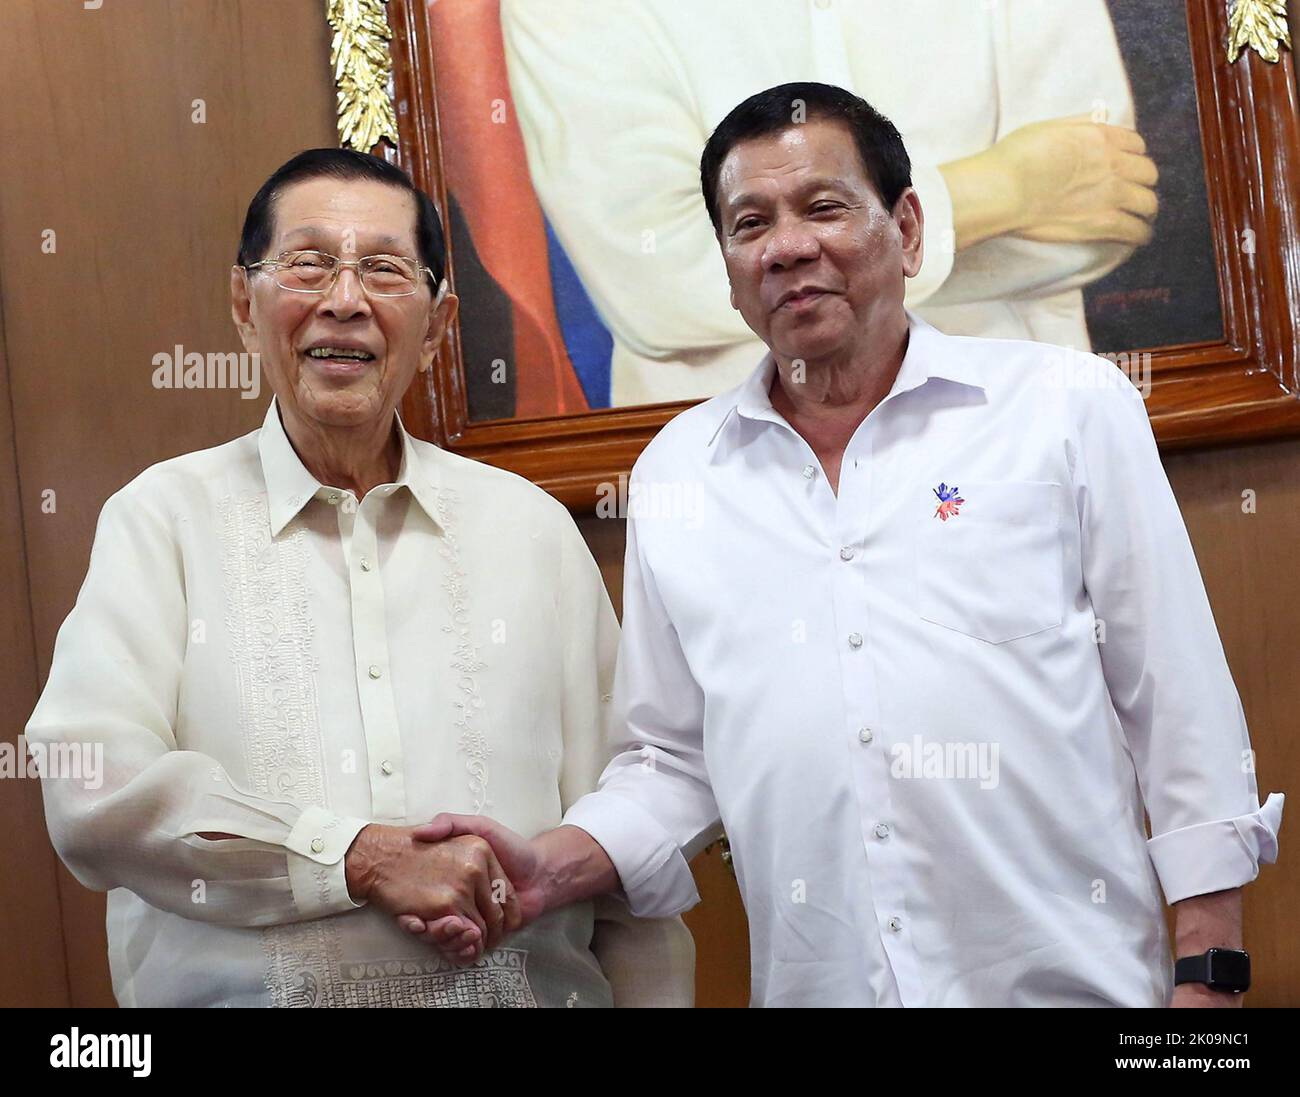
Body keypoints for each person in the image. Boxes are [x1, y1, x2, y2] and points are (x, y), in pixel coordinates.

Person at [400, 84, 1282, 1007]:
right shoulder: (681, 473)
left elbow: (1175, 698)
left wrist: (1208, 981)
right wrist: (550, 869)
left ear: (906, 229)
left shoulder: (1063, 409)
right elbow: (672, 758)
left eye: (823, 206)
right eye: (750, 223)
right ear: (731, 268)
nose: (787, 245)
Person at [25, 148, 693, 1008]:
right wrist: (355, 856)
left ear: (440, 318)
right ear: (244, 303)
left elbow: (621, 837)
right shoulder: (161, 520)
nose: (345, 300)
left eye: (383, 269)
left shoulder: (529, 530)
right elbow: (94, 789)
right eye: (308, 263)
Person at [502, 0, 1156, 405]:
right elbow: (656, 279)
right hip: (741, 486)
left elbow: (1102, 202)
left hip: (1018, 438)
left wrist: (792, 275)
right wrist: (1010, 188)